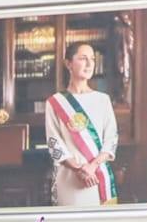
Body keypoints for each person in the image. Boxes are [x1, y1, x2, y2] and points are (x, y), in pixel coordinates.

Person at [46, 42, 119, 206]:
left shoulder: (103, 100)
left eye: (92, 59)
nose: (89, 64)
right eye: (83, 58)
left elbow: (111, 138)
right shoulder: (55, 102)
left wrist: (92, 166)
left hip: (97, 175)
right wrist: (78, 168)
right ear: (68, 64)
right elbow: (54, 142)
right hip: (69, 178)